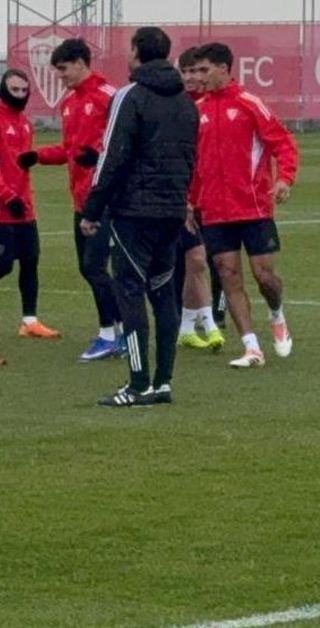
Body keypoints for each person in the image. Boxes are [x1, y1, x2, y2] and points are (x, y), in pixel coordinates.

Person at [81, 26, 198, 406]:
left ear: (136, 52)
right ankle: (163, 382)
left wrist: (93, 208)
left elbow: (111, 156)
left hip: (133, 212)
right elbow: (189, 158)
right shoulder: (186, 101)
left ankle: (137, 384)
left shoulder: (129, 96)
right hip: (171, 211)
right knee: (164, 292)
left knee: (130, 291)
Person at [190, 41, 299, 369]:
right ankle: (252, 347)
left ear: (223, 69)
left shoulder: (250, 103)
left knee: (264, 277)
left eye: (204, 70)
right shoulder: (197, 111)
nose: (199, 77)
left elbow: (283, 144)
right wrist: (189, 202)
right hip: (214, 211)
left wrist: (284, 179)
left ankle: (276, 314)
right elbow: (192, 163)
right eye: (195, 71)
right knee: (228, 274)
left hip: (253, 208)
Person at [20, 38, 123, 361]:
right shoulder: (69, 103)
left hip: (106, 198)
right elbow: (70, 150)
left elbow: (129, 141)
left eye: (63, 69)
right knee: (88, 267)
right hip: (81, 199)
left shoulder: (111, 97)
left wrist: (102, 157)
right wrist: (38, 156)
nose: (60, 76)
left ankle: (110, 334)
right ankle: (122, 331)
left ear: (80, 62)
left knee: (94, 266)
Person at [0, 70, 59, 339]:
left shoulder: (25, 122)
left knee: (31, 261)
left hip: (23, 205)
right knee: (3, 264)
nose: (19, 94)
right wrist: (7, 196)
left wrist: (22, 197)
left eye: (24, 90)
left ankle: (29, 321)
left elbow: (20, 165)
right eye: (14, 89)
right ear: (3, 88)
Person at [173, 46, 226, 352]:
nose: (193, 77)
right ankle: (188, 321)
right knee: (189, 261)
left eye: (198, 71)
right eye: (188, 72)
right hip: (185, 198)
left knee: (218, 260)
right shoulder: (179, 106)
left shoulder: (213, 105)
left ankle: (214, 316)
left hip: (214, 198)